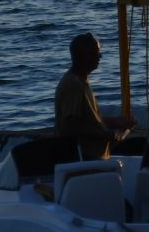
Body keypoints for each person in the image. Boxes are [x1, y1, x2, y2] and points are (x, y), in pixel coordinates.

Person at [54, 32, 133, 161]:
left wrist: (118, 122)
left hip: (97, 158)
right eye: (97, 52)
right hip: (85, 160)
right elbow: (70, 126)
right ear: (86, 56)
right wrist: (104, 134)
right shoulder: (73, 85)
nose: (100, 57)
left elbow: (89, 121)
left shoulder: (81, 81)